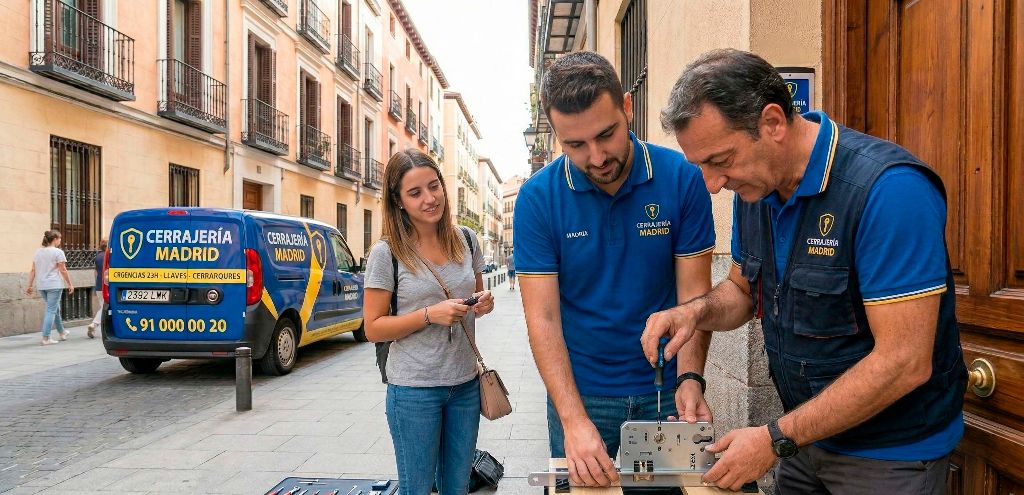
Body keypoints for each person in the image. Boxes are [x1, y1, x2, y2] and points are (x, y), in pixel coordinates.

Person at [641, 49, 966, 493]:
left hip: (889, 458)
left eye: (720, 160)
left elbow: (904, 361)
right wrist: (694, 313)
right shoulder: (755, 190)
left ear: (773, 123)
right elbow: (742, 290)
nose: (713, 184)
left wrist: (773, 439)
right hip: (804, 440)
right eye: (702, 167)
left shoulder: (890, 190)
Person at [513, 51, 716, 487]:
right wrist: (573, 421)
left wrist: (691, 379)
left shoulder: (682, 179)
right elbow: (542, 318)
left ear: (627, 108)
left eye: (606, 134)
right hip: (581, 394)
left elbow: (694, 302)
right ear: (556, 136)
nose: (597, 156)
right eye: (576, 145)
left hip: (664, 392)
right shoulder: (536, 200)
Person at [362, 149, 495, 495]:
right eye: (415, 192)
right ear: (399, 201)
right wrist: (428, 315)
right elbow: (372, 326)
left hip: (466, 385)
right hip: (413, 391)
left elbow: (476, 296)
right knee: (417, 488)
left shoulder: (466, 239)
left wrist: (482, 304)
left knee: (456, 487)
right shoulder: (386, 253)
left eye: (434, 186)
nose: (430, 198)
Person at [26, 230, 75, 345]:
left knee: (54, 308)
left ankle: (62, 332)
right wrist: (70, 284)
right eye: (60, 239)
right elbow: (63, 270)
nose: (60, 241)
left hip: (42, 285)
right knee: (51, 310)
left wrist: (29, 285)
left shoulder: (38, 252)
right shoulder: (58, 252)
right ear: (54, 239)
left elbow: (33, 270)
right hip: (54, 284)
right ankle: (46, 338)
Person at [87, 239, 108, 338]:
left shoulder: (98, 257)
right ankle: (94, 324)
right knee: (104, 307)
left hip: (99, 284)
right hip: (107, 285)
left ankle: (95, 326)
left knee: (102, 306)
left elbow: (95, 272)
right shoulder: (109, 256)